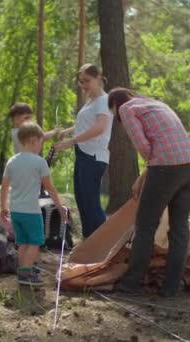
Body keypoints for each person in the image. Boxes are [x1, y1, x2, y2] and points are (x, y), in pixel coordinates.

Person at [107, 87, 190, 297]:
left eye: (116, 116)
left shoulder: (126, 108)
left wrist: (152, 169)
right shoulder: (158, 104)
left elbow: (143, 145)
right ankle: (172, 287)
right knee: (179, 228)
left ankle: (131, 284)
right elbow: (166, 143)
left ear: (117, 105)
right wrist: (145, 176)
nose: (119, 119)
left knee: (145, 225)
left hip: (166, 167)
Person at [0, 121, 67, 286]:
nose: (41, 146)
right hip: (31, 211)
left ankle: (23, 269)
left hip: (15, 211)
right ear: (33, 141)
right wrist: (60, 207)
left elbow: (4, 187)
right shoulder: (39, 162)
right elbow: (50, 187)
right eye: (41, 142)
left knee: (23, 242)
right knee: (36, 242)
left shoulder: (12, 161)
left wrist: (3, 207)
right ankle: (25, 274)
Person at [54, 64, 113, 238]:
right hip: (83, 154)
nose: (84, 85)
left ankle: (103, 243)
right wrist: (68, 131)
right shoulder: (92, 100)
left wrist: (71, 141)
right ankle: (89, 243)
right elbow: (85, 124)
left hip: (94, 157)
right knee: (82, 201)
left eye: (87, 80)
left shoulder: (104, 100)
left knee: (91, 202)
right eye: (81, 82)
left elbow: (99, 128)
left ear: (99, 78)